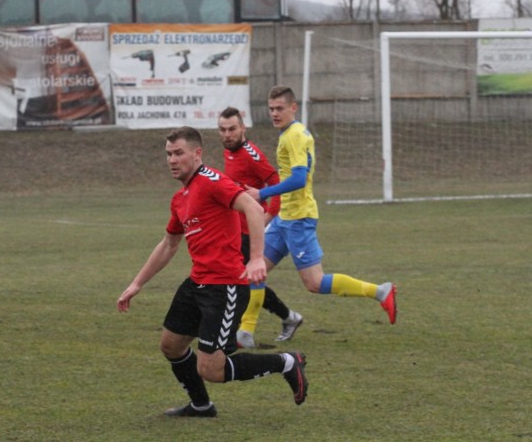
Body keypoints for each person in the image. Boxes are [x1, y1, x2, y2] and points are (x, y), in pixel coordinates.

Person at [117, 127, 308, 417]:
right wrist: (136, 284)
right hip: (197, 283)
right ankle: (201, 405)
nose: (172, 159)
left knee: (212, 369)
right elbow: (169, 244)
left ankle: (287, 362)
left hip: (225, 287)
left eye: (179, 153)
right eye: (168, 154)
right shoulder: (181, 197)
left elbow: (254, 209)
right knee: (170, 345)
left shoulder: (213, 181)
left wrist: (256, 258)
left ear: (197, 154)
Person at [244, 86, 397, 326]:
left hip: (299, 219)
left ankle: (380, 291)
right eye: (271, 109)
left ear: (293, 107)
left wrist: (262, 194)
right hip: (285, 217)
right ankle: (245, 331)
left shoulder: (294, 135)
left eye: (279, 108)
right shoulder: (288, 133)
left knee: (315, 283)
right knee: (254, 270)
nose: (274, 113)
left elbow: (298, 179)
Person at [217, 106, 303, 348]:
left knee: (243, 280)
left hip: (249, 230)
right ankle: (288, 317)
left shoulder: (251, 154)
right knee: (247, 280)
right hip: (235, 228)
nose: (227, 134)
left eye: (232, 129)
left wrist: (266, 218)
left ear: (243, 128)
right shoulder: (230, 152)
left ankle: (241, 331)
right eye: (222, 130)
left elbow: (276, 183)